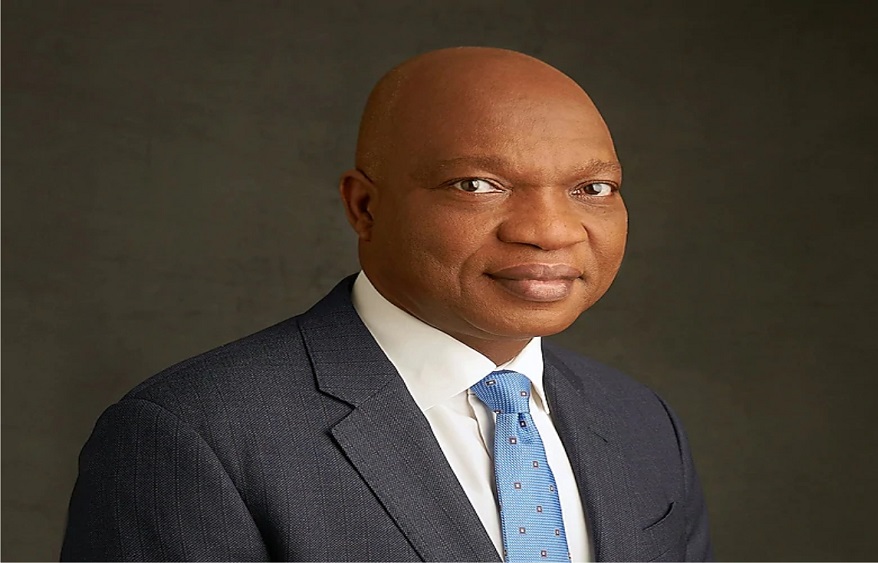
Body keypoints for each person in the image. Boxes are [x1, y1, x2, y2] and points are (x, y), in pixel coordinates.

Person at [61, 47, 713, 562]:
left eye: (593, 188)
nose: (549, 230)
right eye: (477, 184)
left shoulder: (641, 422)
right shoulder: (192, 436)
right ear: (365, 207)